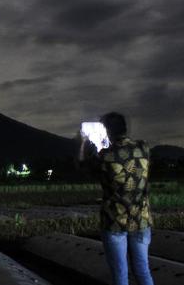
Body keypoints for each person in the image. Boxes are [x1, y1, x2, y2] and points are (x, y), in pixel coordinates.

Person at [78, 112, 154, 285]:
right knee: (142, 269)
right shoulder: (144, 147)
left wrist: (83, 142)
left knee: (120, 273)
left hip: (115, 221)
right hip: (141, 219)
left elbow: (83, 166)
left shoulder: (106, 157)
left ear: (106, 130)